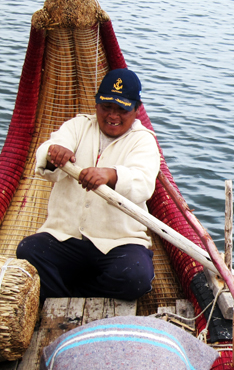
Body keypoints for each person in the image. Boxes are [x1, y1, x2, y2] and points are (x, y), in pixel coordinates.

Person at [17, 68, 160, 302]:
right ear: (96, 105)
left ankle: (73, 295)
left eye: (122, 109)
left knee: (136, 277)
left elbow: (143, 184)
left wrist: (111, 175)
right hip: (65, 236)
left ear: (136, 109)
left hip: (119, 242)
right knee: (28, 252)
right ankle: (68, 298)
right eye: (106, 107)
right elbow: (48, 150)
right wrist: (55, 152)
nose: (113, 115)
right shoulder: (77, 126)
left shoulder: (143, 141)